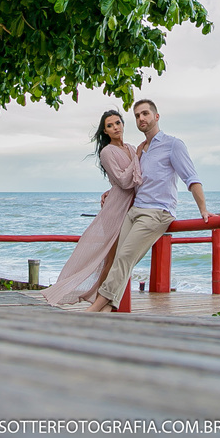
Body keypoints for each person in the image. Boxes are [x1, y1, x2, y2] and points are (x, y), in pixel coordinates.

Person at [84, 99, 209, 312]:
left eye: (145, 114)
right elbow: (132, 180)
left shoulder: (173, 144)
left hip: (157, 212)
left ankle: (93, 310)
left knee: (124, 258)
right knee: (119, 262)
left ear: (156, 116)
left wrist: (203, 210)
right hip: (134, 211)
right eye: (137, 116)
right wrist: (110, 192)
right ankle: (105, 313)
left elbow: (191, 178)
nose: (141, 118)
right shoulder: (140, 150)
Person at [41, 110, 141, 306]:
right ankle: (99, 302)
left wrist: (110, 189)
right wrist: (137, 157)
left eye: (117, 123)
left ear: (123, 124)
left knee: (122, 257)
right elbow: (122, 180)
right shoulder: (107, 152)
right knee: (111, 259)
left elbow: (133, 179)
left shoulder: (131, 147)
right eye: (110, 126)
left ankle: (103, 300)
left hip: (131, 207)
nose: (115, 128)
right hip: (115, 211)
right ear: (105, 131)